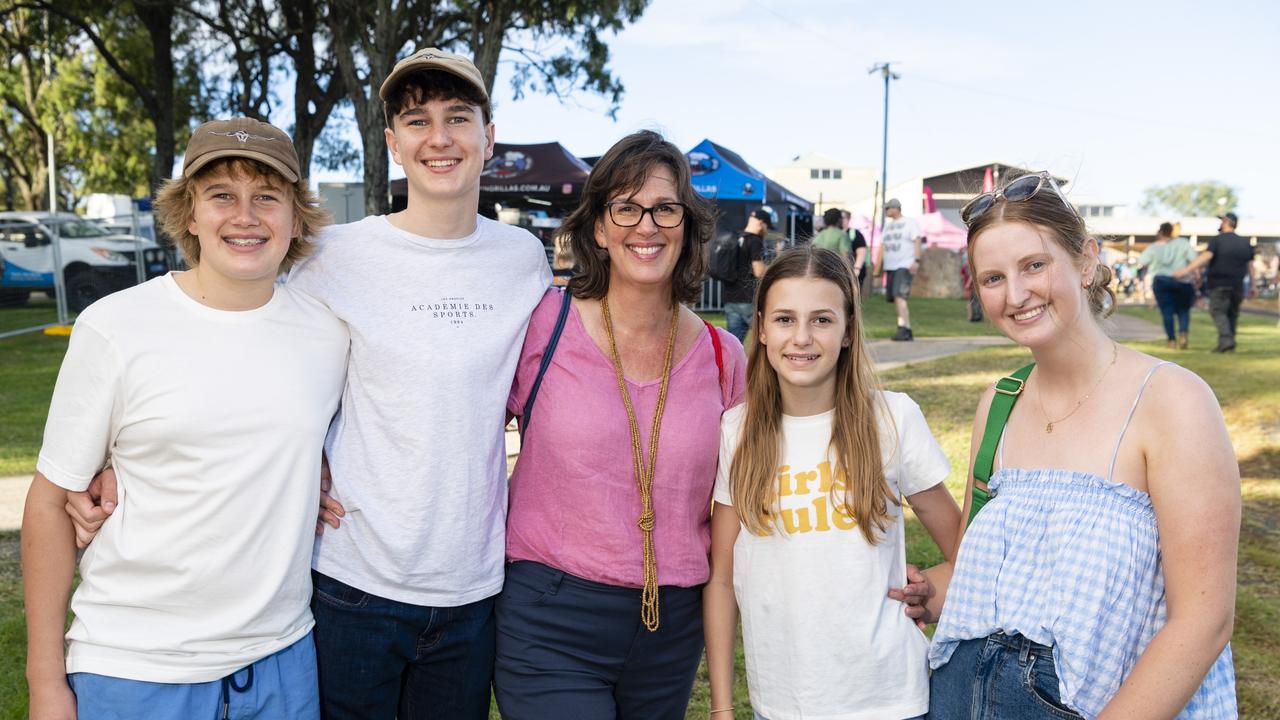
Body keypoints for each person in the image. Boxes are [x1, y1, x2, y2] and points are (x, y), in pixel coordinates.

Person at [24, 118, 348, 719]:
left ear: (297, 218)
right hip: (135, 664)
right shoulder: (115, 327)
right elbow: (49, 502)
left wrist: (315, 463)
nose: (245, 216)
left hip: (280, 659)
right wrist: (46, 684)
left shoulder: (327, 335)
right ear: (189, 213)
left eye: (267, 197)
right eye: (221, 194)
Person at [922, 172, 1239, 718]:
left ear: (1087, 260)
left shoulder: (1171, 401)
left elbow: (1203, 622)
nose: (1016, 295)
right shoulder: (1000, 401)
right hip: (957, 698)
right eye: (993, 278)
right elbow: (1013, 579)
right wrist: (934, 591)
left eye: (1034, 266)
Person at [494, 130, 747, 719]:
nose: (647, 225)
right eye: (626, 208)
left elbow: (746, 498)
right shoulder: (544, 324)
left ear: (686, 225)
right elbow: (459, 431)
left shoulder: (722, 355)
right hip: (551, 616)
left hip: (672, 626)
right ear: (600, 229)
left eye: (665, 208)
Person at [704, 247, 960, 720]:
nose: (801, 337)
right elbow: (721, 580)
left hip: (890, 701)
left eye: (822, 320)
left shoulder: (892, 418)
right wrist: (721, 708)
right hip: (781, 705)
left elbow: (966, 550)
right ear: (761, 328)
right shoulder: (736, 431)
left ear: (847, 331)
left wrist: (932, 592)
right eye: (784, 319)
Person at [1175, 211, 1256, 352]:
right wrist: (1253, 284)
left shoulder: (1218, 240)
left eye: (1221, 221)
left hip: (1219, 283)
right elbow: (1251, 266)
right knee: (1232, 314)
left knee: (1217, 311)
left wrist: (1186, 270)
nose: (1220, 224)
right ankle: (1228, 345)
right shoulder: (1245, 242)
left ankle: (1226, 340)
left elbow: (1206, 256)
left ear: (1226, 222)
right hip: (1237, 284)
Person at [1138, 221, 1197, 349]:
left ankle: (1171, 340)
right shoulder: (1183, 243)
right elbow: (1194, 259)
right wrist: (1197, 276)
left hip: (1161, 280)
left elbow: (1142, 261)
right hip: (1182, 280)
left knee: (1167, 311)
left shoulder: (1154, 247)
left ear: (1160, 232)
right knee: (1183, 310)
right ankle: (1183, 333)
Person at [874, 198, 923, 341]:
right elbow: (882, 246)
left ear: (896, 208)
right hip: (890, 266)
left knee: (899, 296)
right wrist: (878, 267)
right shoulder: (888, 226)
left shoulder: (909, 222)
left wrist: (917, 261)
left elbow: (917, 240)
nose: (886, 211)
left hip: (905, 264)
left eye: (888, 208)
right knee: (895, 298)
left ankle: (904, 329)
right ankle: (905, 328)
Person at [720, 208, 770, 343]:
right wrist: (774, 269)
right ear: (761, 223)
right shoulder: (755, 241)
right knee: (767, 339)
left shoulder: (736, 237)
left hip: (730, 298)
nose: (767, 230)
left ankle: (731, 365)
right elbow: (759, 271)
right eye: (767, 226)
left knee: (734, 344)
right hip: (748, 299)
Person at [842, 208, 869, 288]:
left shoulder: (855, 234)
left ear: (848, 219)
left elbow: (861, 252)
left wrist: (856, 269)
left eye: (843, 217)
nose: (841, 220)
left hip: (853, 269)